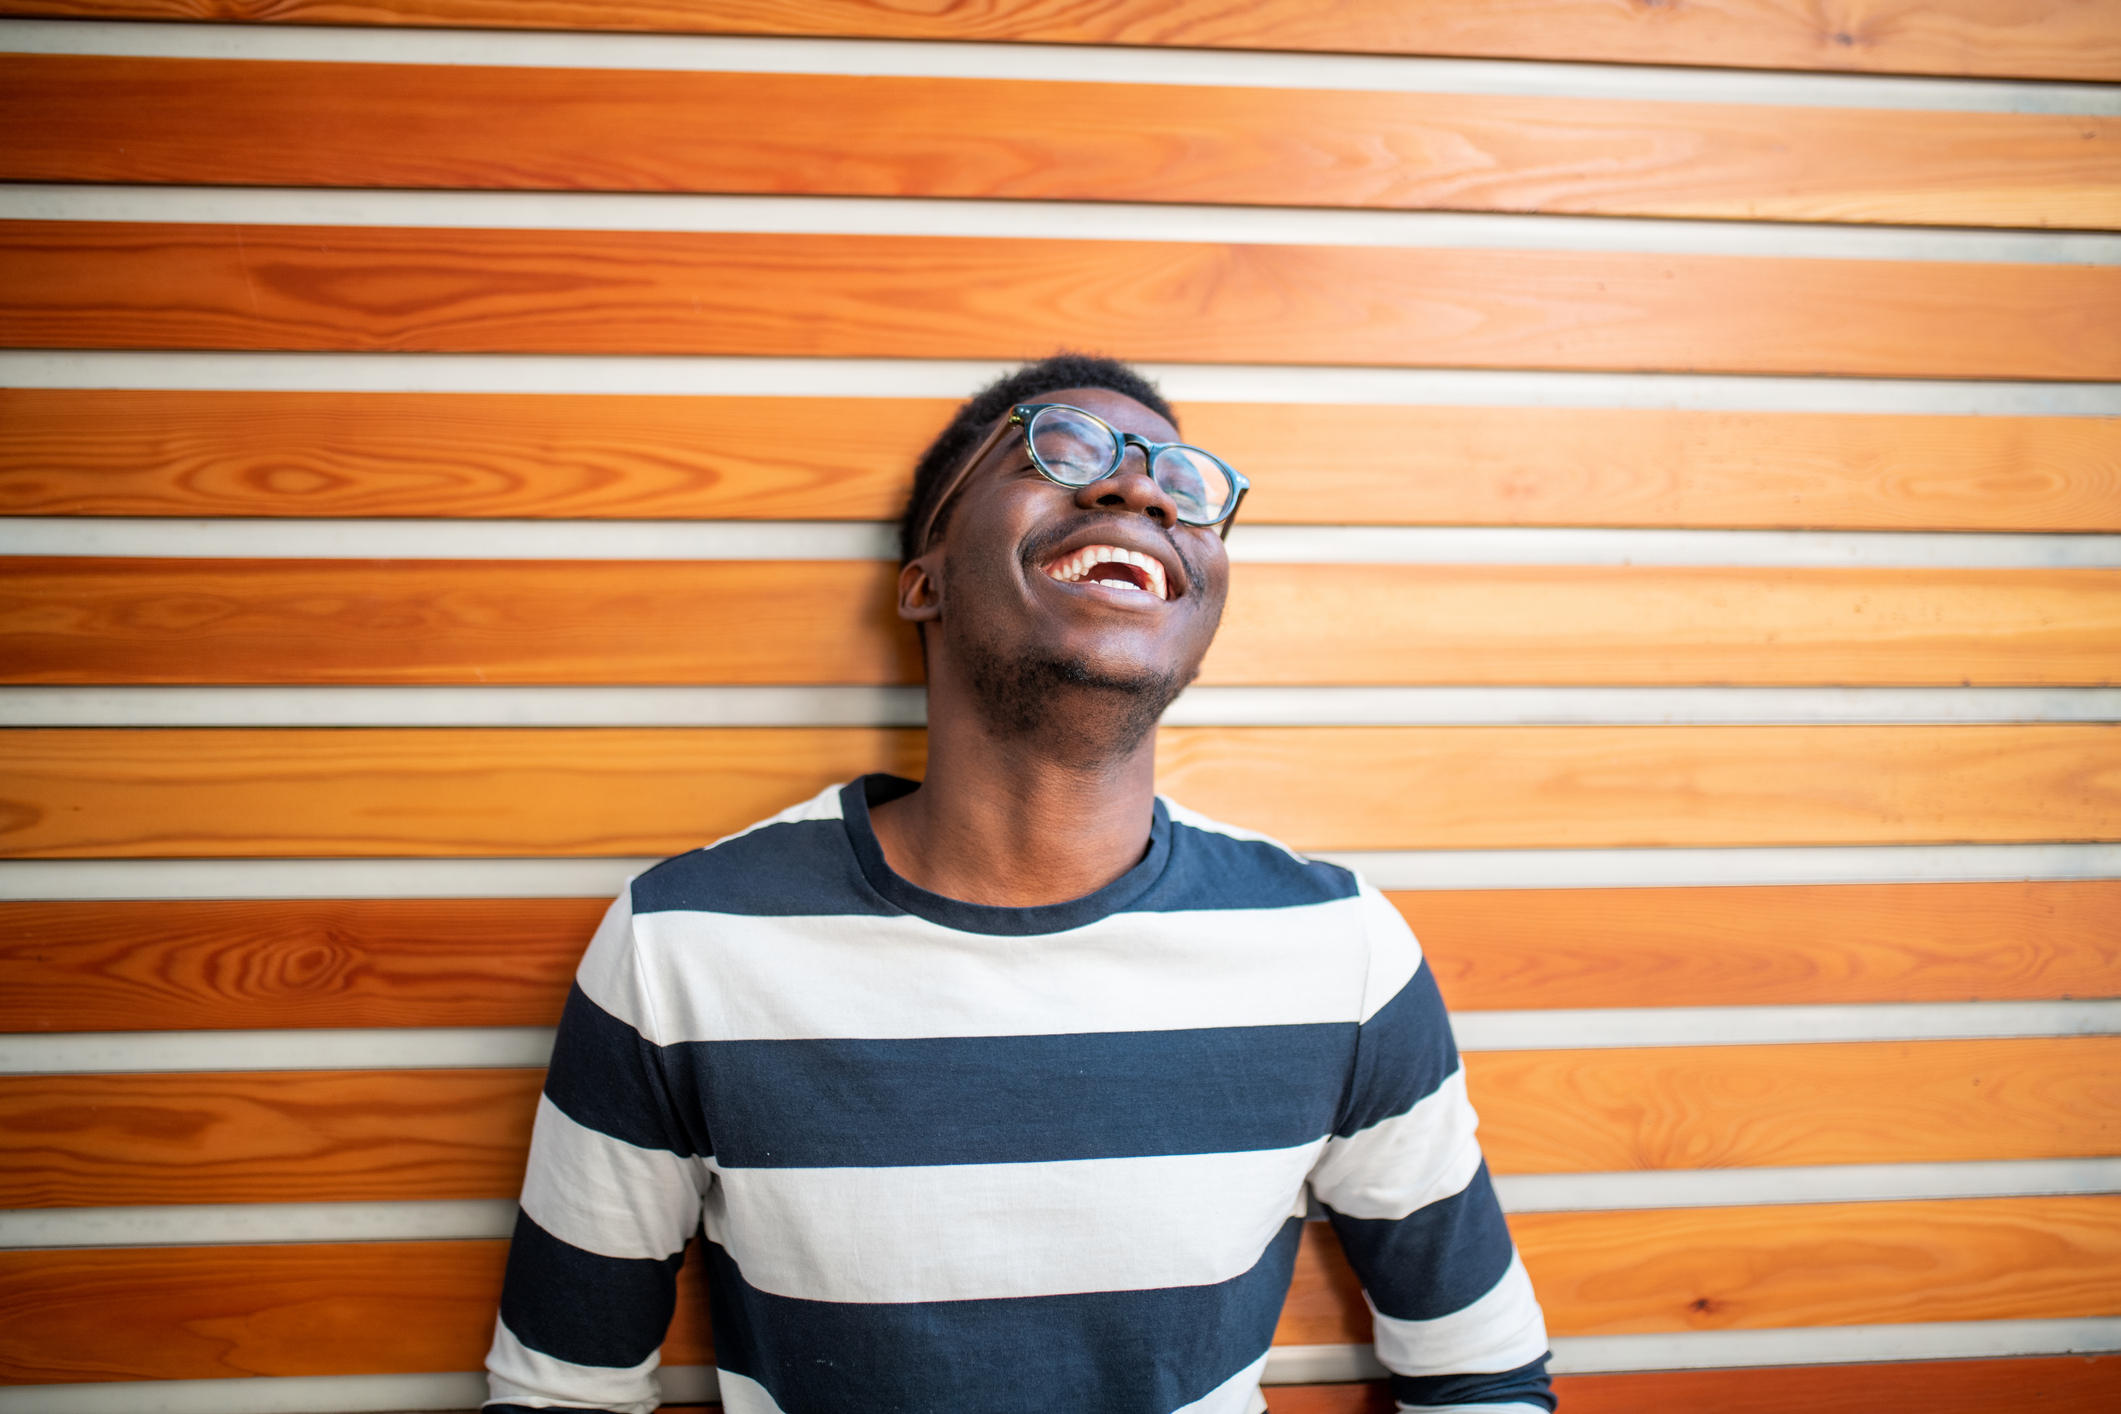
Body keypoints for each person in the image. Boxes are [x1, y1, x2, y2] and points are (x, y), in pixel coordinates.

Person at [484, 354, 1554, 1414]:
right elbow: (560, 1397)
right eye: (1061, 448)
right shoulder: (684, 945)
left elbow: (1483, 1374)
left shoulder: (1338, 948)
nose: (1137, 489)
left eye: (1183, 486)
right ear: (926, 581)